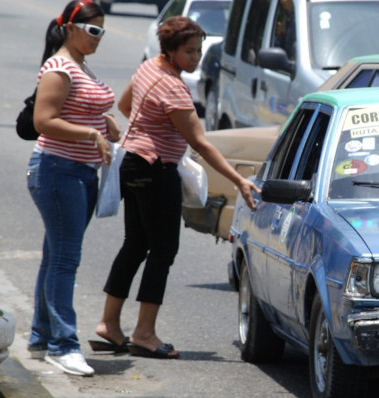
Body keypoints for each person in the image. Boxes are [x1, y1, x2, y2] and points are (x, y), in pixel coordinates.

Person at [92, 16, 259, 359]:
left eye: (199, 50)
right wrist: (239, 179)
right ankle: (144, 333)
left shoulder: (148, 68)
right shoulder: (172, 87)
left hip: (133, 164)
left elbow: (125, 107)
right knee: (163, 250)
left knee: (136, 245)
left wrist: (152, 129)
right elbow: (201, 142)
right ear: (169, 50)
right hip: (156, 170)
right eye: (189, 51)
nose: (196, 58)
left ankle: (109, 325)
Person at [26, 0, 121, 377]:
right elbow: (43, 120)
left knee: (54, 257)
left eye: (102, 30)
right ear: (71, 28)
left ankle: (40, 337)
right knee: (65, 260)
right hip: (56, 171)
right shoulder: (59, 67)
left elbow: (82, 106)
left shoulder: (81, 64)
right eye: (93, 30)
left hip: (81, 173)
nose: (99, 37)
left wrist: (106, 121)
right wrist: (91, 132)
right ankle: (63, 346)